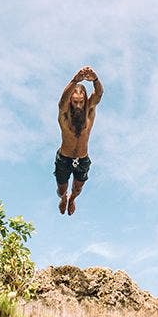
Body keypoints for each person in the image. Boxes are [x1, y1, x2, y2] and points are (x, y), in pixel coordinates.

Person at [55, 66, 103, 214]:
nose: (78, 105)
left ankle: (72, 199)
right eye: (75, 102)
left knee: (78, 187)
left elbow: (99, 94)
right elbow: (62, 102)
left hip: (82, 158)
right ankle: (64, 198)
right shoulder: (64, 114)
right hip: (64, 158)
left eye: (81, 102)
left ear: (85, 100)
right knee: (61, 189)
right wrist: (75, 80)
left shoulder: (89, 111)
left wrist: (95, 79)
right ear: (70, 101)